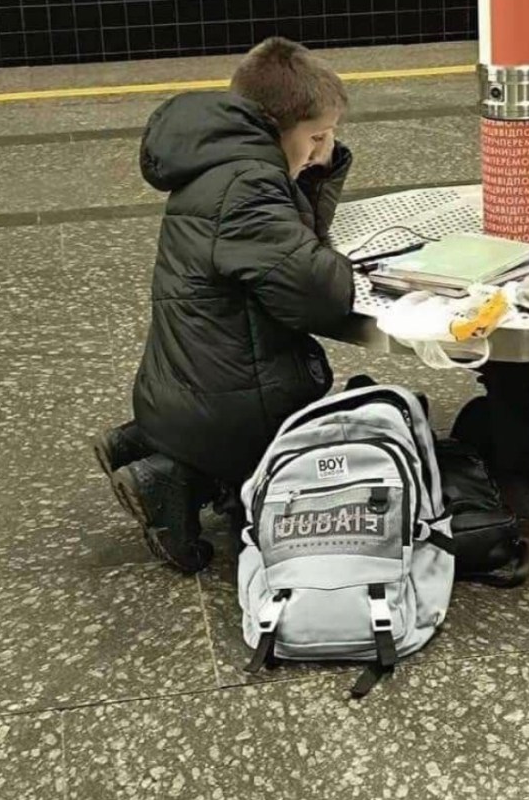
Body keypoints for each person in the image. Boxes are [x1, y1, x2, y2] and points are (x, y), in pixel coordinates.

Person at [92, 37, 356, 573]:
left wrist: (315, 173)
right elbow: (320, 296)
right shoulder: (250, 185)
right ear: (278, 127)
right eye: (316, 138)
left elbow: (285, 250)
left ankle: (152, 440)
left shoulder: (221, 161)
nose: (321, 151)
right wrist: (345, 268)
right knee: (315, 440)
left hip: (185, 379)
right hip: (233, 399)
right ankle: (171, 479)